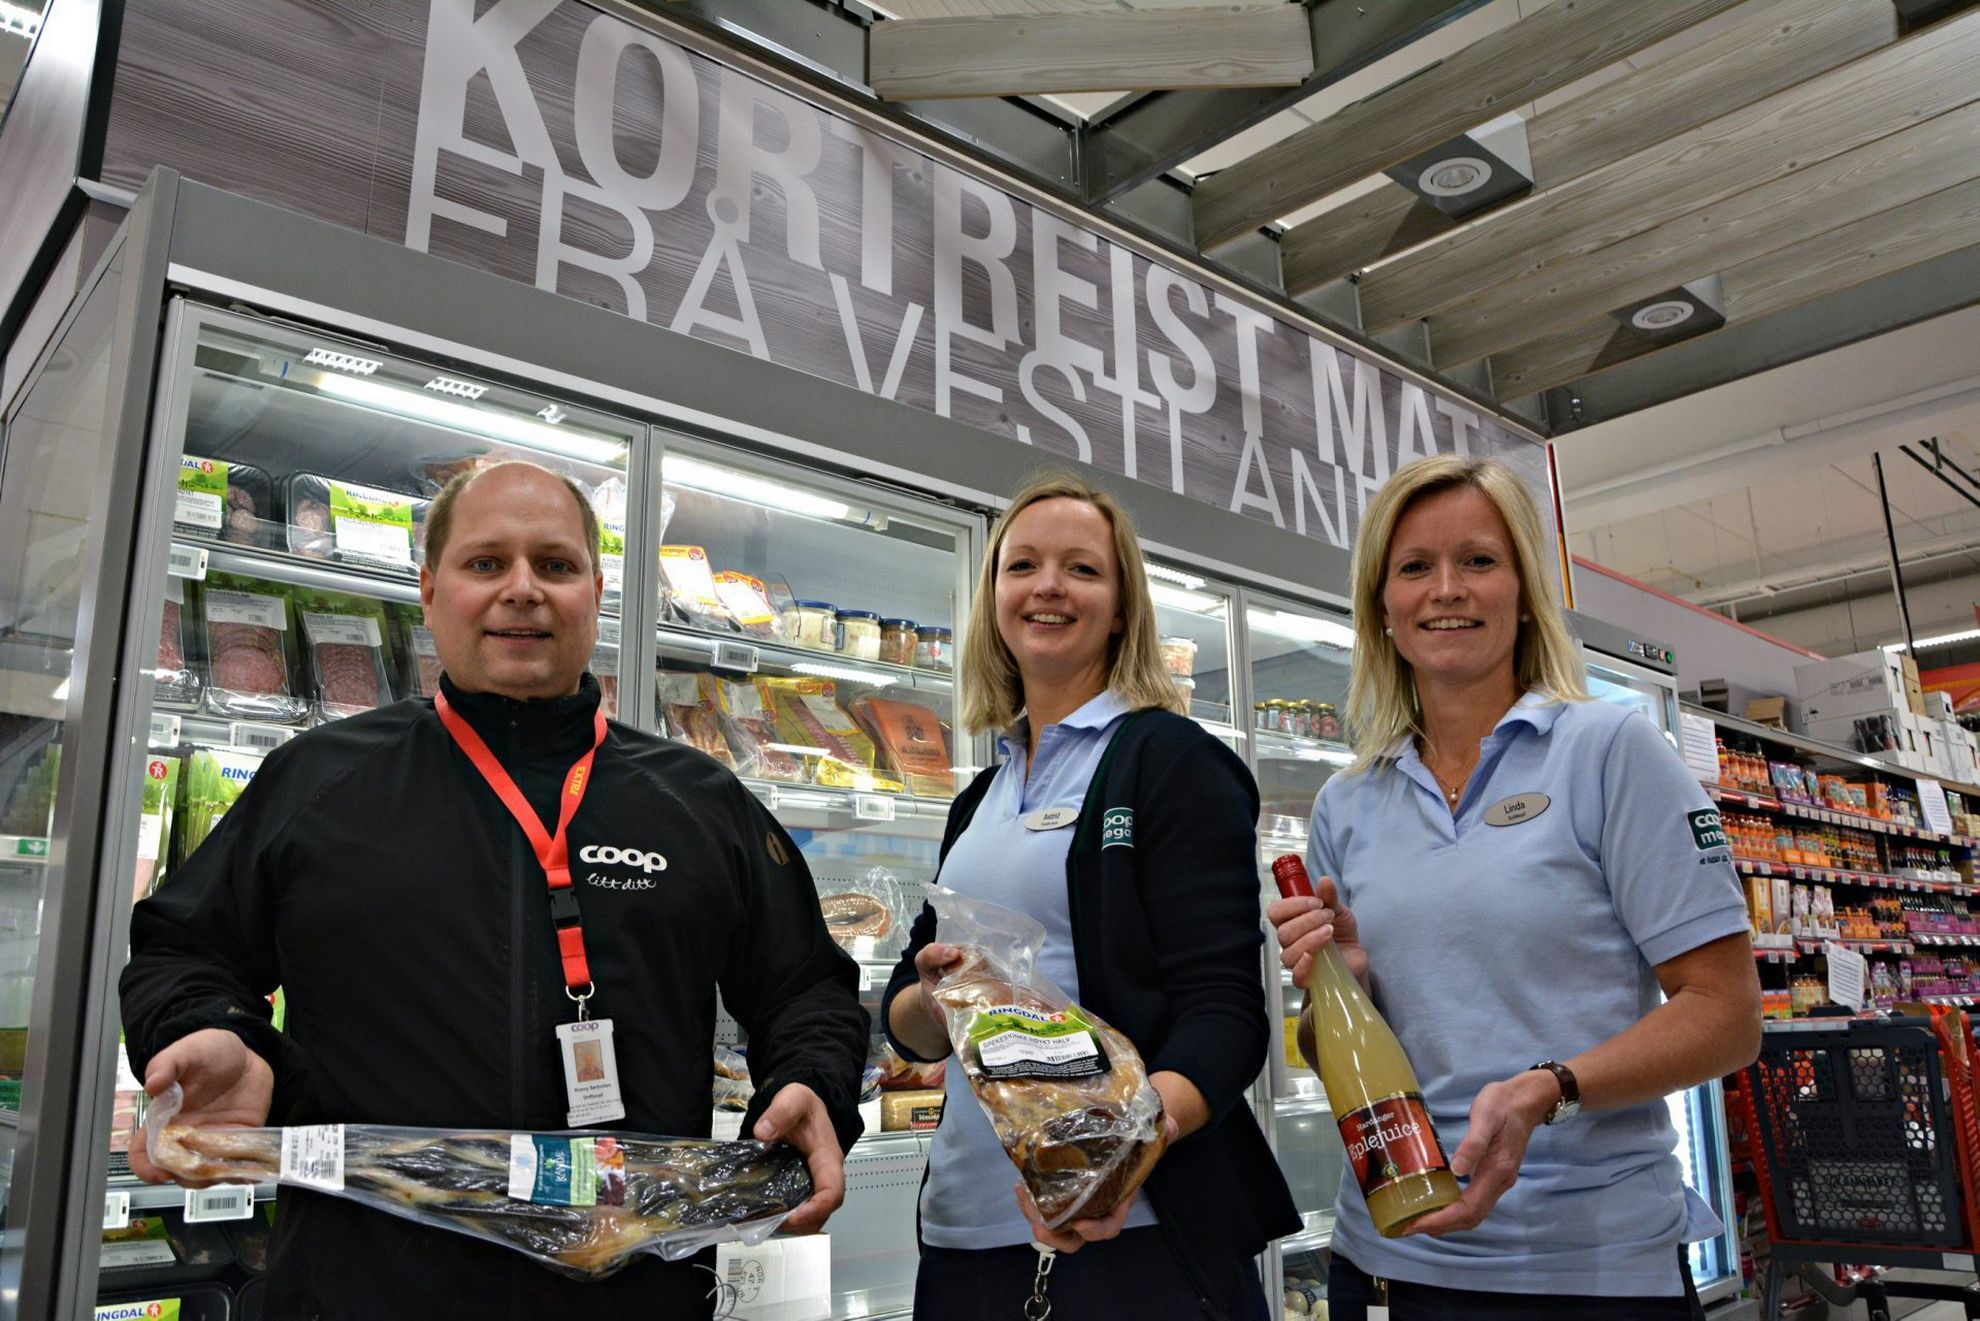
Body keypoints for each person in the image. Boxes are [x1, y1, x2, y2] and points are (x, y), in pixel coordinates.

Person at [121, 460, 869, 1319]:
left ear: (596, 591)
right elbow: (184, 946)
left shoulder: (699, 803)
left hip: (632, 1296)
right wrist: (210, 1029)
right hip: (364, 1290)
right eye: (487, 564)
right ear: (430, 588)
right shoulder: (318, 783)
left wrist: (812, 1082)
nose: (523, 590)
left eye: (555, 565)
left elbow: (807, 986)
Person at [1269, 455, 1761, 1319]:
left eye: (1479, 561)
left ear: (1525, 590)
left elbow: (1726, 1014)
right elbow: (1335, 1047)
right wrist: (1344, 984)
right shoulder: (1349, 802)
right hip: (1389, 1259)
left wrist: (1551, 1087)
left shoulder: (1610, 753)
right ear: (1382, 607)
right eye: (1415, 567)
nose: (1446, 589)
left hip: (1584, 1267)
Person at [881, 470, 1299, 1321]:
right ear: (993, 595)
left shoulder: (1170, 759)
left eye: (1081, 568)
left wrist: (1120, 1157)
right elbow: (903, 1007)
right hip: (964, 1233)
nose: (1047, 586)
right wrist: (935, 994)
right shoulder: (979, 796)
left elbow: (1224, 1013)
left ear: (1120, 605)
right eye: (1022, 565)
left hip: (1135, 1237)